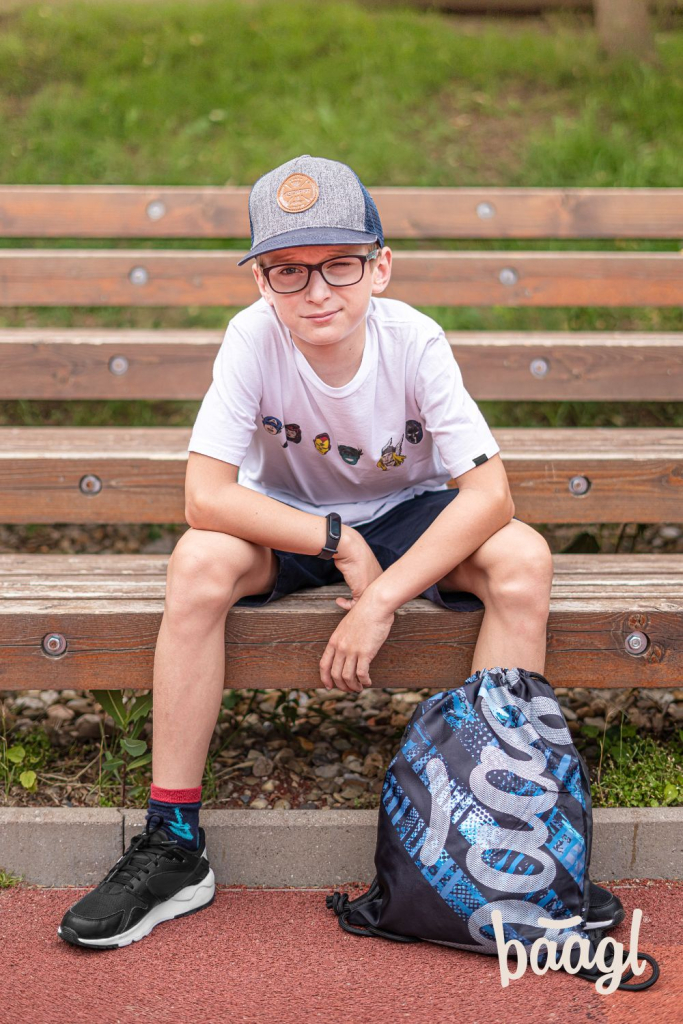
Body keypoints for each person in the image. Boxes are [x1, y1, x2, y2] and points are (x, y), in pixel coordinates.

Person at [57, 155, 623, 949]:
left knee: (521, 559)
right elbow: (205, 497)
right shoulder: (252, 337)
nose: (316, 290)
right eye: (287, 270)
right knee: (196, 562)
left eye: (339, 264)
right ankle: (174, 843)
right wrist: (340, 543)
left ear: (379, 267)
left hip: (408, 515)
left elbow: (490, 495)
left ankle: (496, 845)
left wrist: (381, 597)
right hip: (291, 523)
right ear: (262, 282)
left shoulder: (413, 339)